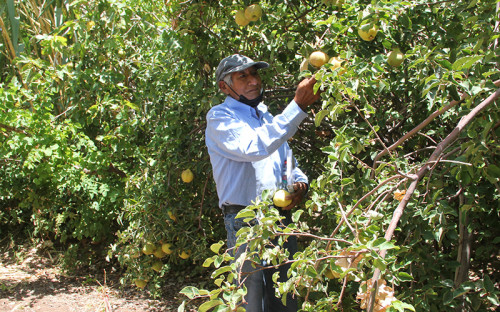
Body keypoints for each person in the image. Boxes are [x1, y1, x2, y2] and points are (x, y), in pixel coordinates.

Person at [205, 54, 321, 312]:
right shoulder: (220, 118)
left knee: (285, 292)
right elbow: (254, 147)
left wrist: (299, 183)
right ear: (225, 86)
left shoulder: (267, 117)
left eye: (255, 74)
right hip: (244, 220)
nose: (253, 81)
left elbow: (285, 161)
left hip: (279, 216)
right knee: (250, 297)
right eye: (242, 76)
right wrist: (297, 106)